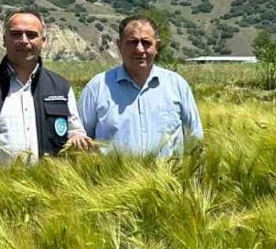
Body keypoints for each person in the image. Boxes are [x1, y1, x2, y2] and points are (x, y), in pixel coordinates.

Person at [0, 10, 94, 165]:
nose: (24, 40)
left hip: (45, 186)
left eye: (31, 35)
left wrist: (76, 138)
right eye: (16, 34)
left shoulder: (61, 87)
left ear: (44, 41)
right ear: (4, 39)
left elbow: (74, 131)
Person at [78, 14, 203, 155]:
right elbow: (80, 141)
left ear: (157, 46)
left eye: (146, 42)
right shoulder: (96, 88)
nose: (139, 49)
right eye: (132, 42)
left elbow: (195, 140)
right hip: (113, 176)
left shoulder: (177, 85)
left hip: (169, 176)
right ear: (119, 45)